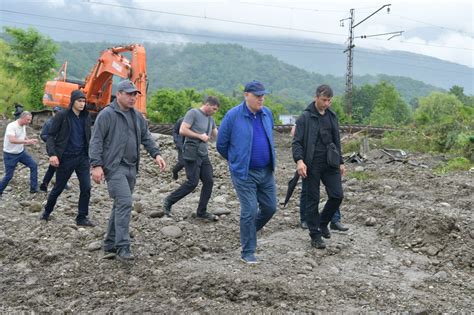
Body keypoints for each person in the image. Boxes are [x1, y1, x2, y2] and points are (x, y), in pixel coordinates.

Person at [89, 80, 166, 261]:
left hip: (132, 166)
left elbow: (146, 137)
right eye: (129, 94)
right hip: (114, 167)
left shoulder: (136, 116)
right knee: (125, 202)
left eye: (135, 95)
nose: (133, 98)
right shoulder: (107, 114)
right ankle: (123, 246)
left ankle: (109, 242)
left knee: (119, 205)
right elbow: (96, 140)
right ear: (120, 93)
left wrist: (156, 154)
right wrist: (96, 165)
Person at [216, 80, 277, 264]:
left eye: (263, 95)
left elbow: (269, 136)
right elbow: (221, 145)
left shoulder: (267, 114)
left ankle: (249, 231)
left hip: (266, 171)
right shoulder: (233, 116)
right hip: (244, 173)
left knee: (270, 207)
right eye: (257, 96)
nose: (261, 99)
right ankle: (248, 251)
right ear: (246, 95)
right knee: (249, 210)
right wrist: (237, 160)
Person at [292, 84, 345, 249]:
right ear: (316, 97)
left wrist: (341, 161)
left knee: (337, 195)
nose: (326, 103)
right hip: (311, 164)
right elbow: (297, 142)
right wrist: (299, 161)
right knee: (312, 199)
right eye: (324, 100)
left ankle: (323, 222)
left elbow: (337, 141)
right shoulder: (305, 118)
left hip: (330, 163)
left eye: (329, 100)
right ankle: (315, 234)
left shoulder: (332, 116)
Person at [39, 90, 94, 226]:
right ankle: (46, 212)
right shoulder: (62, 116)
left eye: (84, 101)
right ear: (73, 101)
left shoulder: (86, 116)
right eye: (79, 101)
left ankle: (81, 217)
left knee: (86, 187)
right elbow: (51, 136)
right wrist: (52, 154)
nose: (82, 104)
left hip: (82, 158)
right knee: (58, 188)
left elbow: (89, 137)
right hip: (66, 158)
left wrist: (93, 157)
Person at [163, 96, 220, 221]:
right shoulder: (193, 113)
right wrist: (199, 136)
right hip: (192, 153)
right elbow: (183, 130)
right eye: (214, 109)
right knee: (192, 182)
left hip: (203, 154)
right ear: (208, 104)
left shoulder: (210, 119)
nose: (215, 111)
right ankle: (168, 201)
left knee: (209, 181)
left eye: (216, 110)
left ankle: (201, 211)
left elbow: (216, 134)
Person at [0, 111, 38, 197]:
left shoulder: (23, 125)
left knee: (33, 165)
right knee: (9, 176)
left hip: (21, 152)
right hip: (10, 155)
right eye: (28, 120)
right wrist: (27, 141)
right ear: (22, 118)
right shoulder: (11, 126)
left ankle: (34, 188)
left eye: (30, 120)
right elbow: (12, 140)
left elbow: (22, 135)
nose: (29, 122)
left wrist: (29, 139)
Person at [39, 106, 70, 192]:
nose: (56, 114)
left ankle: (45, 183)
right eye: (55, 112)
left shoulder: (64, 122)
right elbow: (43, 135)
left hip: (62, 147)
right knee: (58, 165)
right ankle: (61, 184)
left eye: (58, 112)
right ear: (52, 113)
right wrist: (52, 139)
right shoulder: (49, 123)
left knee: (54, 166)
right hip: (52, 147)